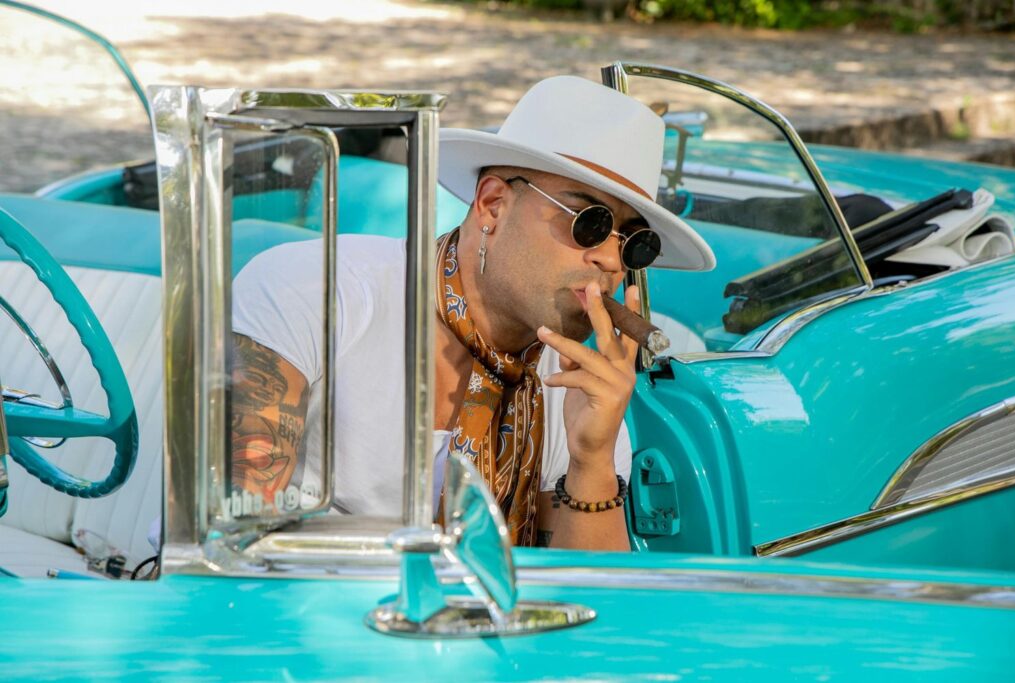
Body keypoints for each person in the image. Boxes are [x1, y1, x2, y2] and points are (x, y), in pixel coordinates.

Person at [229, 75, 714, 550]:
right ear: (493, 204)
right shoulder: (313, 290)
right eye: (589, 222)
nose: (610, 261)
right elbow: (235, 544)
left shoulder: (577, 388)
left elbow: (592, 602)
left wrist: (591, 458)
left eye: (634, 244)